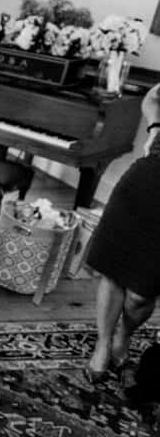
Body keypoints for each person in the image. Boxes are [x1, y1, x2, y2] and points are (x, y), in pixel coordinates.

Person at [85, 83, 160, 384]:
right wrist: (155, 127)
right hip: (147, 179)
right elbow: (154, 96)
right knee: (113, 269)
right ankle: (104, 345)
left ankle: (124, 335)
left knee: (141, 294)